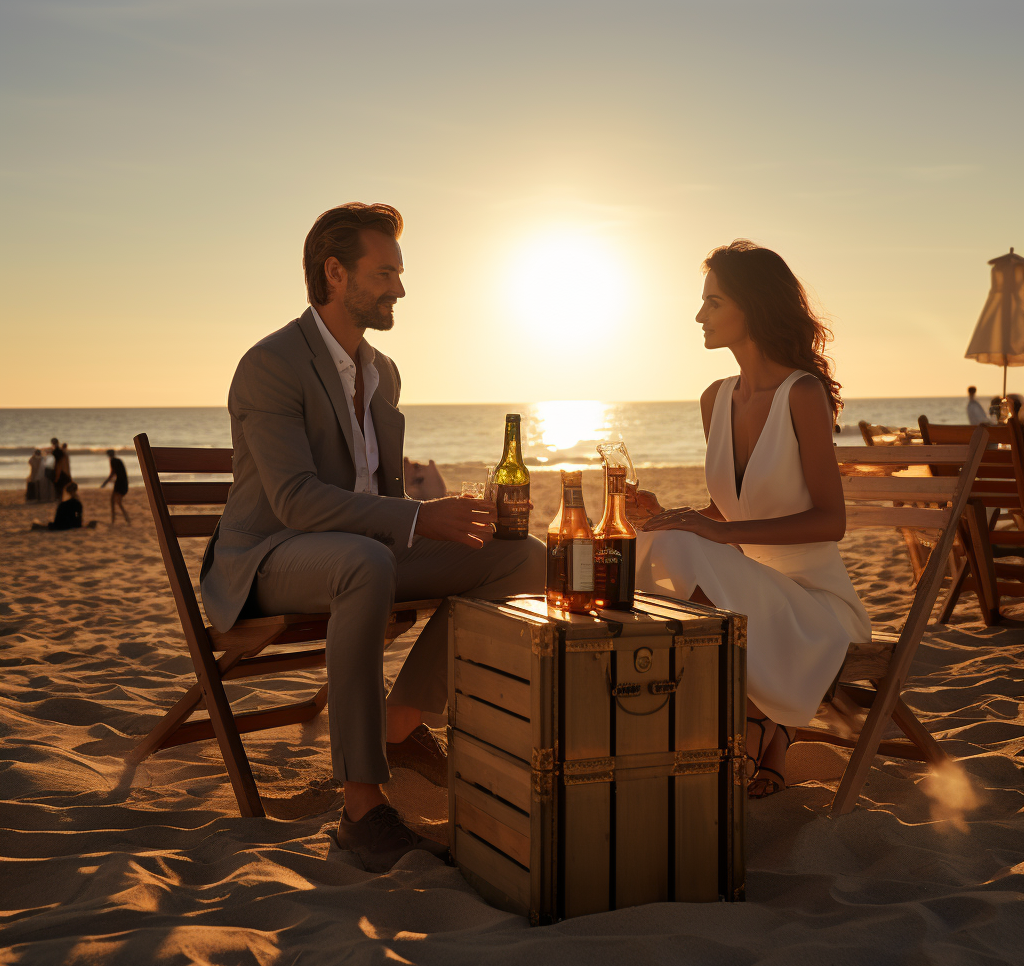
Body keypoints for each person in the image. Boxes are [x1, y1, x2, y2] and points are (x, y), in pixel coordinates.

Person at [200, 202, 545, 872]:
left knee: (519, 555)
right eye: (385, 273)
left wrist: (433, 507)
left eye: (400, 273)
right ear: (335, 272)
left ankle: (399, 724)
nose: (400, 289)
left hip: (364, 551)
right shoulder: (270, 364)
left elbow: (374, 494)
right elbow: (295, 499)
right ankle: (362, 807)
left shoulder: (382, 371)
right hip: (270, 557)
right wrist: (417, 519)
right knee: (363, 562)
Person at [629, 240, 871, 799]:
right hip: (749, 594)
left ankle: (748, 719)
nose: (699, 316)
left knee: (686, 550)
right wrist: (676, 515)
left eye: (713, 302)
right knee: (652, 540)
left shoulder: (801, 395)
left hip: (814, 603)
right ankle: (746, 722)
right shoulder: (715, 398)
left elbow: (830, 521)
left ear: (753, 307)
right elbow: (733, 507)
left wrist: (717, 532)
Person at [30, 482, 96, 531]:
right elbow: (79, 518)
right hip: (69, 525)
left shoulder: (63, 504)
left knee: (47, 526)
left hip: (59, 525)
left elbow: (57, 519)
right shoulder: (77, 503)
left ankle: (37, 526)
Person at [101, 449, 132, 525]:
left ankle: (114, 520)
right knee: (118, 502)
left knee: (114, 501)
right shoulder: (118, 460)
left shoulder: (113, 461)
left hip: (120, 483)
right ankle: (126, 519)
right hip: (123, 482)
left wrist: (105, 483)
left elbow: (112, 473)